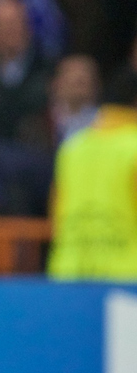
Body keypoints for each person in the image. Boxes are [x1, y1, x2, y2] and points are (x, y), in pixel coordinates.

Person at [47, 72, 137, 281]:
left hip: (69, 275)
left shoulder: (72, 146)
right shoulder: (133, 146)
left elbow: (56, 212)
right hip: (127, 281)